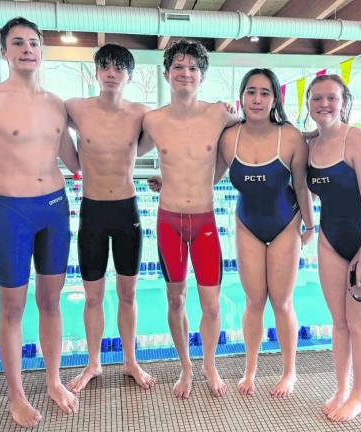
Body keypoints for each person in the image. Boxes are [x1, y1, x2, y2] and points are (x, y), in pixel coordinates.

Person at [0, 17, 80, 428]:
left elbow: (75, 161)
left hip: (55, 208)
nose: (27, 49)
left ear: (43, 51)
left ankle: (55, 380)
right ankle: (16, 395)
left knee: (52, 302)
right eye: (18, 43)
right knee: (12, 307)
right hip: (13, 212)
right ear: (3, 51)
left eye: (34, 43)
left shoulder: (57, 103)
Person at [144, 40, 238, 398]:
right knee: (176, 300)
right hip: (169, 220)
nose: (186, 73)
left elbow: (253, 133)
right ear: (167, 73)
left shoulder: (218, 114)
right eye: (179, 67)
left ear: (202, 75)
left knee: (212, 303)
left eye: (193, 68)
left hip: (205, 221)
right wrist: (161, 180)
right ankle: (185, 367)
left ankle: (209, 363)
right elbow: (119, 146)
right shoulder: (152, 120)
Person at [214, 68, 315, 397]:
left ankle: (290, 372)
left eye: (265, 92)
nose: (257, 99)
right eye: (251, 92)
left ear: (275, 99)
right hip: (247, 225)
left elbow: (301, 186)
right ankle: (250, 368)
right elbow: (207, 176)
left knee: (282, 302)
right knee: (254, 301)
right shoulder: (229, 137)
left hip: (286, 224)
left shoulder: (291, 136)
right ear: (241, 96)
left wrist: (310, 226)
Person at [65, 43, 155, 393]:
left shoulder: (139, 114)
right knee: (92, 297)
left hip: (126, 209)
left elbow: (171, 133)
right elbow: (43, 116)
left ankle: (130, 360)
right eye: (106, 66)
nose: (112, 73)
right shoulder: (76, 108)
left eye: (120, 67)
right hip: (92, 211)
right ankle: (93, 363)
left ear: (129, 75)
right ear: (96, 72)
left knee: (128, 294)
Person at [305, 74, 361, 422]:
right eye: (317, 99)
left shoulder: (358, 140)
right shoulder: (309, 144)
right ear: (309, 104)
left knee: (360, 323)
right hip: (331, 240)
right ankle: (341, 387)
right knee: (338, 323)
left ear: (344, 102)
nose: (324, 104)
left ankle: (359, 396)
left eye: (331, 98)